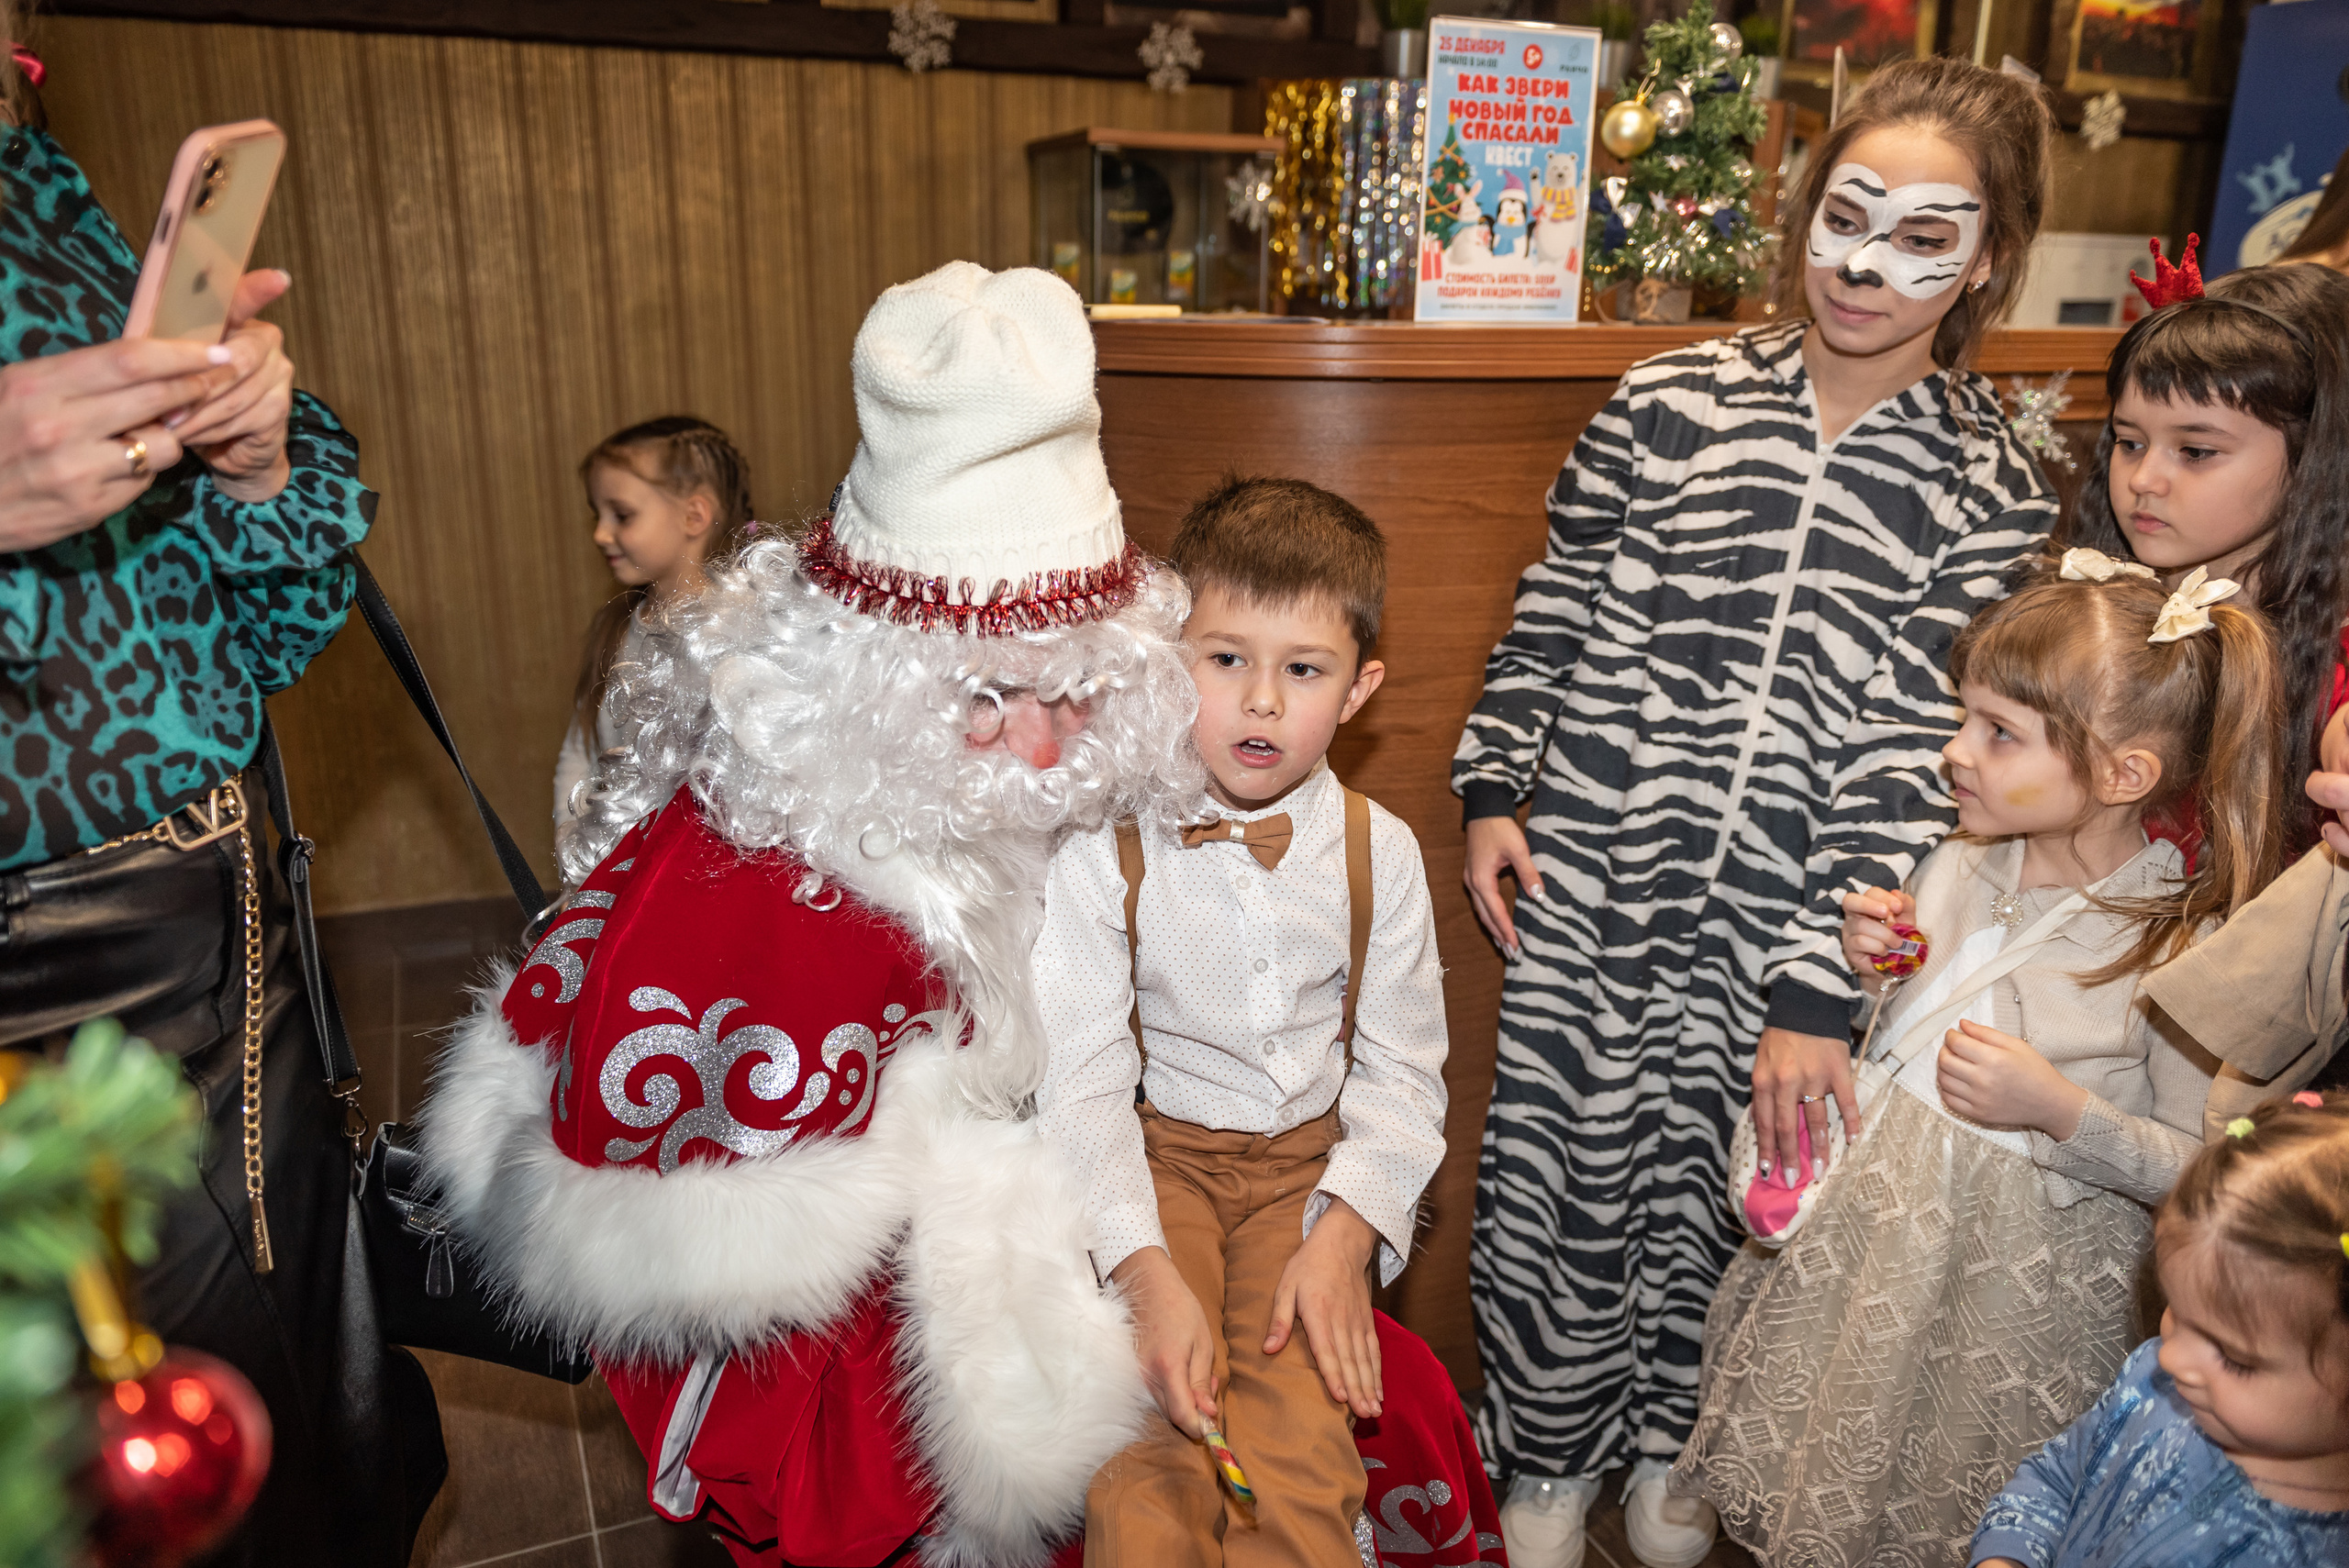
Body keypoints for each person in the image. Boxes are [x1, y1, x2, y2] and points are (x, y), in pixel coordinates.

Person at [418, 261, 1205, 1567]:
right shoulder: (758, 873)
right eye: (990, 699)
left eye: (1077, 691)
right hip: (846, 1415)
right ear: (877, 690)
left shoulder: (1040, 796)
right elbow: (693, 1259)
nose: (1047, 748)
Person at [1451, 57, 2059, 1568]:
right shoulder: (1668, 399)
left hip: (1799, 907)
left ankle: (1677, 1444)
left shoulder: (1991, 479)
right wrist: (1494, 784)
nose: (1864, 264)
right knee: (1564, 1156)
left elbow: (1916, 748)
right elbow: (1560, 600)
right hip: (1601, 858)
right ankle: (1541, 1447)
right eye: (1844, 217)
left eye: (1923, 237)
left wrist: (1812, 983)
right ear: (1805, 213)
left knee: (1740, 1179)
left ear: (1986, 259)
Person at [0, 24, 444, 1566]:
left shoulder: (35, 187)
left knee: (282, 1374)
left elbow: (247, 627)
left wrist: (252, 457)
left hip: (214, 911)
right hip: (47, 960)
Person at [1674, 557, 2285, 1566]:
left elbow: (2200, 1165)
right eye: (1965, 717)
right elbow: (1907, 1030)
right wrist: (1870, 972)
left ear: (2122, 774)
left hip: (1999, 1305)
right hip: (1865, 1261)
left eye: (1998, 732)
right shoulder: (1953, 859)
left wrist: (2057, 1111)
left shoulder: (2177, 943)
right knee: (1829, 1454)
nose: (1954, 751)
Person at [1033, 477, 1450, 1563]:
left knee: (1302, 1460)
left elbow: (1404, 1074)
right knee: (1147, 1446)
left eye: (1301, 670)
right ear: (1167, 664)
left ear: (1357, 691)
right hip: (1154, 1154)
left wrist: (1344, 1232)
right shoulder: (1101, 843)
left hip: (1306, 1179)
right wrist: (1142, 1271)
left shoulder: (1381, 851)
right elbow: (1078, 1080)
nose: (1262, 700)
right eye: (1226, 659)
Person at [2047, 251, 2349, 854]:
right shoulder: (2085, 613)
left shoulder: (2333, 682)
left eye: (2196, 451)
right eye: (2130, 442)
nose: (2144, 479)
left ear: (2316, 457)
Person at [1969, 1095, 2349, 1566]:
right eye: (2175, 1309)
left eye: (2232, 1356)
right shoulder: (2150, 1384)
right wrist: (2006, 1557)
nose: (2170, 1356)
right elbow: (2057, 1480)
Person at [555, 415, 753, 829]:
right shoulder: (618, 626)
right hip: (615, 868)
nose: (600, 534)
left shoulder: (742, 634)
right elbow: (582, 751)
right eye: (598, 515)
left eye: (621, 515)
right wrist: (573, 848)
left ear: (694, 517)